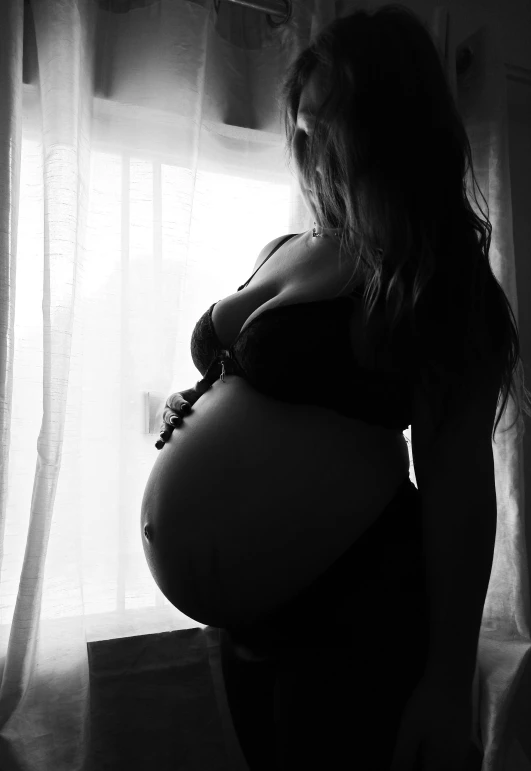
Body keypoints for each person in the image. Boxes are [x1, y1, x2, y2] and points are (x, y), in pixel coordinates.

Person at [147, 5, 530, 769]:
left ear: (390, 130)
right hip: (256, 629)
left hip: (358, 621)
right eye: (301, 125)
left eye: (332, 124)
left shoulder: (434, 279)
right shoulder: (286, 246)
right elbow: (265, 386)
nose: (310, 146)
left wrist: (446, 682)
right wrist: (202, 403)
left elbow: (457, 496)